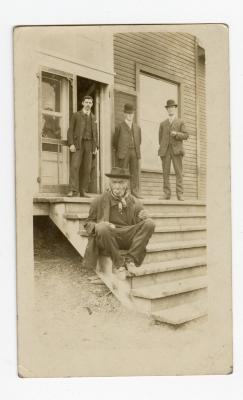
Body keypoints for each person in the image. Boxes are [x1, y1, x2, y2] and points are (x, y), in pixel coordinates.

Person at [83, 167, 155, 275]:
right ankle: (119, 263)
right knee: (102, 227)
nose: (117, 186)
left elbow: (140, 222)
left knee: (150, 223)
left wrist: (145, 217)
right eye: (114, 182)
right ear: (110, 184)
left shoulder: (135, 201)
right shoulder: (99, 200)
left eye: (121, 182)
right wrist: (99, 225)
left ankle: (131, 260)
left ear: (126, 184)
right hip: (109, 237)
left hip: (128, 237)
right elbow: (88, 223)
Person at [67, 95, 98, 197]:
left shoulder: (93, 118)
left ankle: (83, 191)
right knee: (75, 166)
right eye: (86, 102)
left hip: (89, 145)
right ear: (83, 103)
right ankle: (73, 190)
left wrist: (96, 147)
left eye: (90, 103)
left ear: (92, 104)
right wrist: (71, 143)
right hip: (78, 144)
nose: (88, 104)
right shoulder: (76, 115)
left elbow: (95, 133)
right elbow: (70, 130)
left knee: (87, 168)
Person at [158, 99, 189, 201]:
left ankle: (180, 194)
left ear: (175, 109)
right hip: (165, 151)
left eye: (172, 107)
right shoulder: (163, 123)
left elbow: (186, 135)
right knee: (165, 172)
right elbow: (160, 138)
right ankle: (166, 194)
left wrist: (176, 134)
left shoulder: (180, 122)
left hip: (177, 151)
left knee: (179, 172)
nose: (170, 109)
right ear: (167, 110)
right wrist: (163, 147)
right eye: (168, 108)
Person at [112, 103, 143, 198]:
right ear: (125, 114)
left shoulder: (137, 128)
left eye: (132, 113)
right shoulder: (119, 126)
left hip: (134, 151)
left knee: (134, 172)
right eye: (128, 113)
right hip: (123, 152)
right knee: (123, 172)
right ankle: (121, 192)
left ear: (134, 114)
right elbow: (115, 142)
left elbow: (139, 141)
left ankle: (135, 192)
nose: (130, 115)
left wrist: (134, 149)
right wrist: (121, 150)